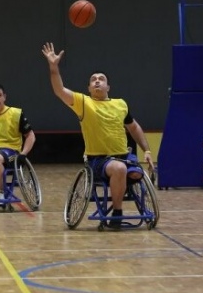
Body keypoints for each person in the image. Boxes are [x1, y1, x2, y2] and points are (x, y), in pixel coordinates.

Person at [41, 42, 154, 229]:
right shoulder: (84, 103)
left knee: (133, 171)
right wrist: (54, 67)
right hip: (99, 160)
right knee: (119, 169)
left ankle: (124, 183)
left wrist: (147, 150)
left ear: (108, 86)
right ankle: (117, 212)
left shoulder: (120, 104)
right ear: (89, 88)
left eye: (101, 79)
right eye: (93, 79)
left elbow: (134, 128)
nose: (97, 81)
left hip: (125, 156)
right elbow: (59, 90)